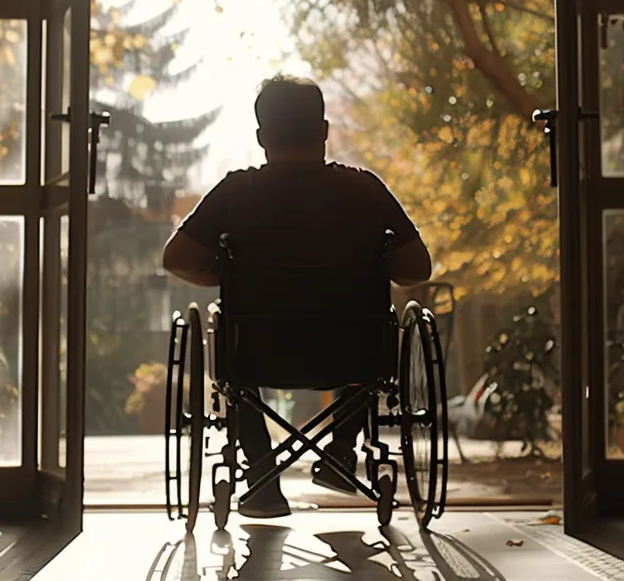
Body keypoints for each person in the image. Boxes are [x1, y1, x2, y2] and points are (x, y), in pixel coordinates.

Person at [161, 74, 433, 519]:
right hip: (351, 355)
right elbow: (417, 269)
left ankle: (262, 477)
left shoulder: (237, 191)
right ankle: (341, 452)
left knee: (227, 328)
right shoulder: (364, 189)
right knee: (374, 327)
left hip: (257, 352)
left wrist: (225, 276)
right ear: (323, 131)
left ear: (262, 136)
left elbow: (177, 257)